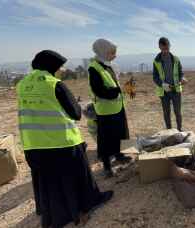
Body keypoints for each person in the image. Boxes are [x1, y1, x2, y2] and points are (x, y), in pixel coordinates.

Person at [17, 50, 113, 228]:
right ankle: (89, 202)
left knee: (50, 183)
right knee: (80, 177)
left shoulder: (22, 84)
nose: (61, 70)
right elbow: (76, 113)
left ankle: (57, 215)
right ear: (52, 66)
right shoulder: (54, 84)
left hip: (33, 145)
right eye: (60, 67)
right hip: (61, 143)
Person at [88, 39, 131, 178]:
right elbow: (99, 91)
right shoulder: (94, 68)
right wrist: (118, 90)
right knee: (106, 139)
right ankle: (107, 166)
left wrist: (123, 89)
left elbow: (113, 84)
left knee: (121, 133)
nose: (115, 55)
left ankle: (120, 155)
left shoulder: (108, 66)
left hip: (117, 107)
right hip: (105, 110)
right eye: (112, 53)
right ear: (102, 52)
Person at [153, 37, 185, 131]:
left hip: (176, 89)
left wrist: (182, 78)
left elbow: (180, 72)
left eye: (167, 48)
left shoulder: (176, 59)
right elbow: (155, 77)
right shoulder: (156, 61)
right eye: (163, 49)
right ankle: (169, 131)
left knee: (178, 112)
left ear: (169, 46)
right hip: (164, 91)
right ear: (159, 47)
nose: (165, 51)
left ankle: (179, 130)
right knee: (166, 112)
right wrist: (163, 85)